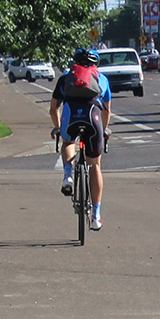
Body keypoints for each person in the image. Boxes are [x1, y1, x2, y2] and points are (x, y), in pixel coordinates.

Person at [48, 48, 113, 230]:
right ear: (95, 64)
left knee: (68, 142)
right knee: (95, 165)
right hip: (94, 118)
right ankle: (96, 215)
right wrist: (105, 129)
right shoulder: (102, 79)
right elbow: (107, 110)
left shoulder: (66, 77)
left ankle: (68, 175)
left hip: (71, 116)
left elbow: (54, 108)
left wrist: (58, 128)